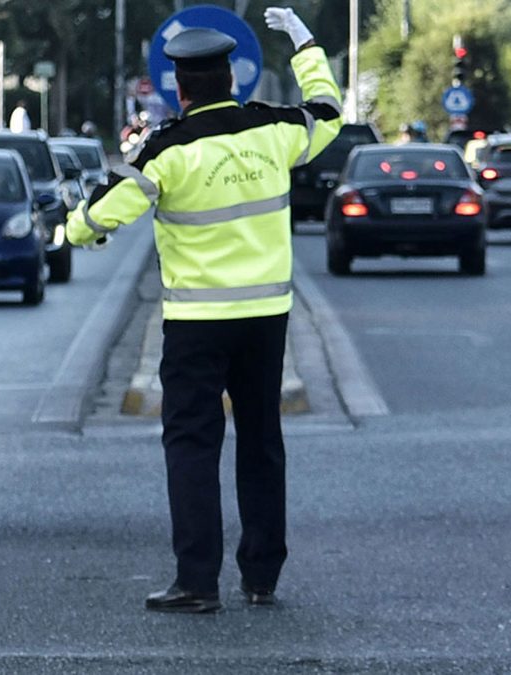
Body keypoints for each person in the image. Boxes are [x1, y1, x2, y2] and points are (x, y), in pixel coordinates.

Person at [65, 9, 341, 613]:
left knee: (192, 445)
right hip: (267, 319)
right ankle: (262, 577)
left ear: (181, 89)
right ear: (234, 81)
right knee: (262, 441)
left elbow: (103, 214)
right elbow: (328, 111)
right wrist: (305, 43)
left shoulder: (168, 151)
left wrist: (74, 227)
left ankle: (197, 582)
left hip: (196, 327)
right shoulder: (274, 131)